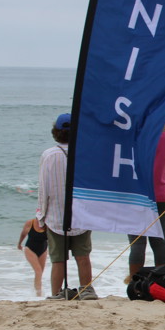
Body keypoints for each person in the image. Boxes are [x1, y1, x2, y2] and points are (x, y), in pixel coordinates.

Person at [36, 113, 97, 300]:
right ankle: (86, 290)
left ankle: (57, 293)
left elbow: (44, 189)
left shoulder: (49, 155)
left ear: (56, 132)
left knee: (58, 259)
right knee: (83, 256)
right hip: (82, 215)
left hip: (56, 216)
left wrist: (41, 216)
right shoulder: (87, 153)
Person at [126, 125, 165, 282]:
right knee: (159, 239)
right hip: (163, 192)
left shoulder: (137, 131)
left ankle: (135, 282)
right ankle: (160, 281)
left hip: (137, 192)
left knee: (137, 242)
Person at [17, 217, 48, 296]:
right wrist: (19, 244)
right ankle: (38, 294)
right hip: (30, 249)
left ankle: (37, 292)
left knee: (40, 273)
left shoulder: (48, 224)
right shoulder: (30, 223)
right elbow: (23, 234)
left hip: (43, 250)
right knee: (38, 271)